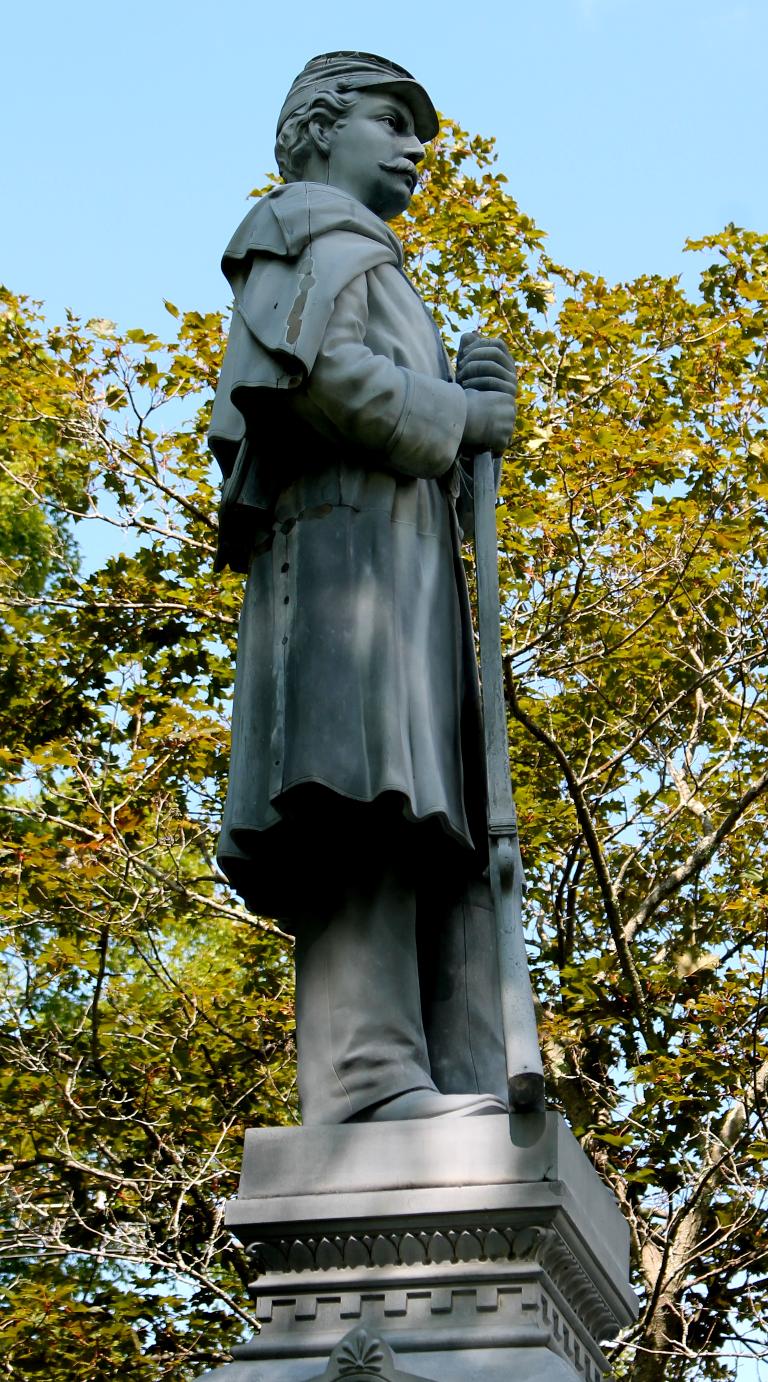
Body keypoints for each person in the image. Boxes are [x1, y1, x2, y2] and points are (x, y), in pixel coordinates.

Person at [209, 52, 519, 1124]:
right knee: (362, 797)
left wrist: (457, 399)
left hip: (401, 572)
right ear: (317, 127)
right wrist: (457, 417)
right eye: (391, 120)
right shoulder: (299, 228)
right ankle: (365, 1079)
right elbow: (314, 377)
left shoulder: (370, 260)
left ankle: (462, 1063)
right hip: (343, 569)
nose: (415, 145)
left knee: (432, 819)